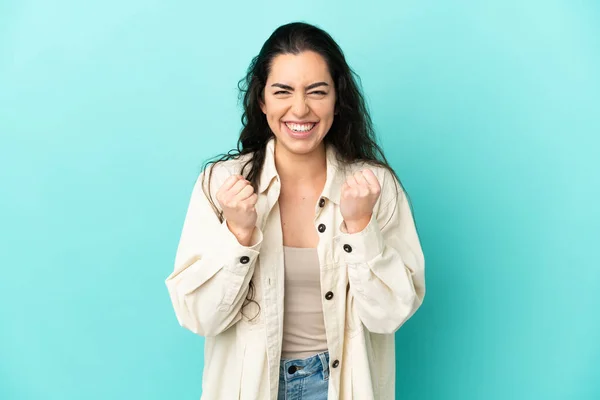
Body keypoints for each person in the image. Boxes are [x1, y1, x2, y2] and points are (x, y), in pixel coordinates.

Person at [165, 21, 426, 400]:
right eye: (282, 91)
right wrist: (238, 236)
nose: (300, 108)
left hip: (343, 387)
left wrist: (360, 228)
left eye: (317, 91)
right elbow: (200, 317)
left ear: (338, 99)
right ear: (262, 100)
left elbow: (389, 315)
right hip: (252, 387)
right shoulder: (220, 184)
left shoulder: (376, 187)